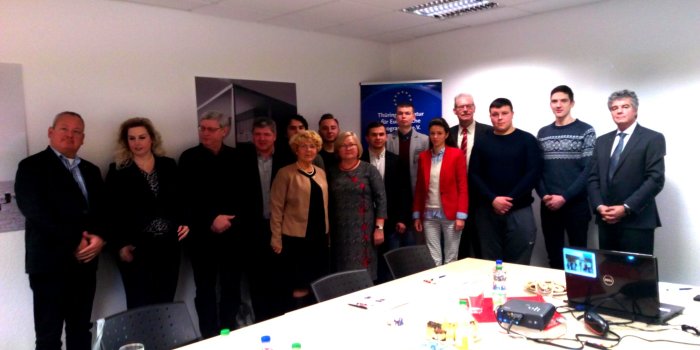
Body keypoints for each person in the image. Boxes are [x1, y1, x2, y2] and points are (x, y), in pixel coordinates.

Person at [15, 111, 107, 350]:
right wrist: (75, 241)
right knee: (48, 335)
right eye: (64, 129)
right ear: (51, 132)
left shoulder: (91, 170)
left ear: (83, 138)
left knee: (80, 330)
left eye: (77, 131)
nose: (70, 135)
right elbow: (35, 212)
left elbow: (103, 211)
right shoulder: (31, 167)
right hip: (49, 264)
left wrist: (100, 239)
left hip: (85, 264)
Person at [105, 117, 189, 309]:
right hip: (136, 250)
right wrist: (120, 244)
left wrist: (185, 222)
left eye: (142, 137)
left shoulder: (169, 165)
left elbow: (182, 199)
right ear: (126, 142)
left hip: (168, 247)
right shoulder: (118, 170)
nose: (137, 143)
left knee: (166, 302)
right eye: (132, 138)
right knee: (139, 305)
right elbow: (111, 213)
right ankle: (142, 342)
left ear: (152, 139)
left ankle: (165, 341)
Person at [179, 111, 241, 338]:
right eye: (201, 128)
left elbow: (244, 196)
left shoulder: (237, 157)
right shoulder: (188, 158)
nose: (204, 133)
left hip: (232, 236)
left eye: (210, 129)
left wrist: (227, 220)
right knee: (204, 290)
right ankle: (209, 336)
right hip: (201, 238)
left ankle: (228, 332)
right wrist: (211, 220)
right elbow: (185, 198)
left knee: (231, 288)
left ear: (224, 131)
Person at [588, 90, 665, 254]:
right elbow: (593, 178)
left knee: (637, 276)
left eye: (625, 106)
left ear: (635, 110)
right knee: (609, 275)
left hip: (637, 220)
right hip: (606, 219)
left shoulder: (652, 138)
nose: (619, 111)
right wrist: (599, 206)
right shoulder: (601, 141)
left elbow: (655, 179)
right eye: (614, 108)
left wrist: (626, 207)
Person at [470, 98, 542, 264]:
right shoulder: (482, 141)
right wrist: (493, 199)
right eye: (495, 114)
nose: (500, 118)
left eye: (504, 113)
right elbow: (474, 174)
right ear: (490, 117)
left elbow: (532, 173)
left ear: (512, 114)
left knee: (519, 260)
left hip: (519, 209)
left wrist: (509, 200)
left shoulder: (527, 140)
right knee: (489, 262)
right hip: (488, 211)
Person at [537, 85, 596, 269]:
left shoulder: (586, 131)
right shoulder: (543, 133)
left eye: (563, 100)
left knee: (579, 259)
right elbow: (537, 169)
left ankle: (579, 297)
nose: (558, 105)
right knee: (554, 257)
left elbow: (588, 171)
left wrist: (564, 197)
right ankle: (555, 296)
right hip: (549, 205)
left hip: (575, 204)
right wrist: (544, 195)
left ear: (572, 103)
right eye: (554, 101)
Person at [270, 130, 329, 309]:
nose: (308, 150)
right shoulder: (285, 173)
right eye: (303, 146)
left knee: (316, 282)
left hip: (318, 238)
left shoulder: (320, 172)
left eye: (312, 146)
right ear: (296, 149)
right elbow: (276, 207)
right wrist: (276, 237)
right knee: (298, 285)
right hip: (296, 240)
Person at [237, 117, 289, 321]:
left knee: (281, 279)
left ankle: (281, 321)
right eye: (257, 134)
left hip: (282, 228)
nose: (262, 138)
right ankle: (261, 323)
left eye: (266, 134)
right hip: (253, 230)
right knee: (257, 282)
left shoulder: (287, 158)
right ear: (252, 136)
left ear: (275, 136)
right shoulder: (241, 159)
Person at [328, 131, 387, 280]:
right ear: (337, 149)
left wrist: (379, 228)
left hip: (364, 231)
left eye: (352, 145)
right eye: (343, 145)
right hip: (339, 232)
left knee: (365, 274)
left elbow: (381, 199)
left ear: (358, 147)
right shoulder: (331, 171)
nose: (348, 148)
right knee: (342, 274)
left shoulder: (369, 170)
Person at [413, 118, 468, 266]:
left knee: (451, 258)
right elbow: (419, 188)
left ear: (446, 134)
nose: (435, 137)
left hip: (451, 214)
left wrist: (461, 215)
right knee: (433, 259)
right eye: (432, 133)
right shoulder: (423, 156)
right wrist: (417, 215)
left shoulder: (456, 154)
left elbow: (463, 187)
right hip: (429, 215)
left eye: (439, 133)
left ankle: (450, 288)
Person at [449, 93, 493, 259]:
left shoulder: (489, 132)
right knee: (459, 243)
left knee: (482, 241)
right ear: (455, 110)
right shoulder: (448, 134)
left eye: (469, 106)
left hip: (481, 196)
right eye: (461, 106)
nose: (465, 109)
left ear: (474, 108)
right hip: (456, 197)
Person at [361, 122, 411, 255]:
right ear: (367, 138)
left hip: (392, 220)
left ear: (386, 137)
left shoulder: (397, 161)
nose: (378, 137)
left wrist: (402, 218)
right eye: (374, 135)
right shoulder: (360, 160)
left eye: (381, 134)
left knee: (390, 260)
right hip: (365, 218)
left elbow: (404, 191)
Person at [386, 102, 429, 244]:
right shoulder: (387, 139)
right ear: (396, 117)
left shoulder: (424, 140)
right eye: (400, 113)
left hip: (417, 193)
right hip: (395, 195)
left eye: (407, 113)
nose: (403, 116)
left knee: (417, 239)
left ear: (414, 117)